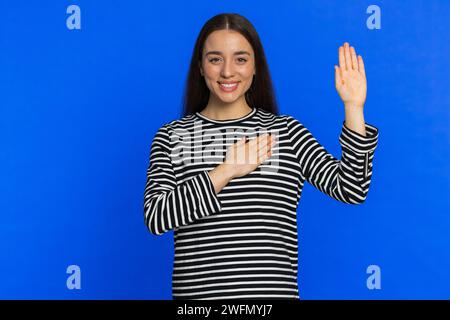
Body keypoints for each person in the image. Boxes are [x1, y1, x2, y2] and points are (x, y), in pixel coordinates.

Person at [143, 13, 379, 300]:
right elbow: (157, 217)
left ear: (256, 67)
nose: (228, 71)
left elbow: (351, 188)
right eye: (215, 59)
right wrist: (226, 170)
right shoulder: (173, 136)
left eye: (240, 59)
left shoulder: (286, 133)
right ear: (201, 68)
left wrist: (354, 107)